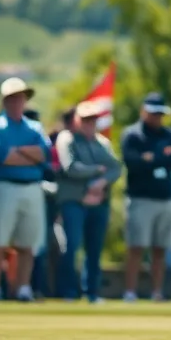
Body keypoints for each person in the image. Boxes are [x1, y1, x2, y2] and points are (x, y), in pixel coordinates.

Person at [0, 78, 52, 302]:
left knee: (27, 243)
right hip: (4, 186)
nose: (16, 102)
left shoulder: (35, 127)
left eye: (20, 98)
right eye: (12, 98)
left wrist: (17, 151)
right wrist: (28, 155)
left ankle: (22, 288)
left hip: (32, 188)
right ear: (4, 101)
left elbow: (44, 155)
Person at [55, 100, 121, 303]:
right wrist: (96, 171)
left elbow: (115, 168)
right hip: (74, 201)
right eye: (85, 119)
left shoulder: (103, 143)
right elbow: (71, 167)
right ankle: (69, 291)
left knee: (94, 248)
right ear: (76, 120)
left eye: (93, 119)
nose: (89, 123)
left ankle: (92, 291)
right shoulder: (67, 139)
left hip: (99, 201)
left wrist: (100, 183)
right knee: (72, 245)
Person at [120, 93, 171, 302]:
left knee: (160, 249)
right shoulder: (132, 135)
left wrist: (151, 159)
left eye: (159, 113)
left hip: (165, 198)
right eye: (153, 113)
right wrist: (159, 159)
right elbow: (133, 163)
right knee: (136, 247)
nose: (156, 117)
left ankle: (157, 292)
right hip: (140, 198)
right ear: (144, 111)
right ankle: (130, 291)